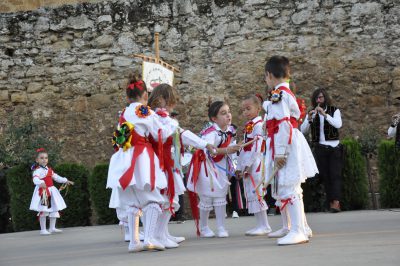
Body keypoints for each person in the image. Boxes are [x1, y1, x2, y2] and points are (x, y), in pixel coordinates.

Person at [107, 75, 177, 252]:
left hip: (123, 158)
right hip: (142, 158)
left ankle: (134, 241)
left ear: (127, 96)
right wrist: (171, 123)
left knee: (132, 201)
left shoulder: (124, 113)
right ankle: (150, 238)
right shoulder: (144, 111)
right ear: (145, 95)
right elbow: (158, 134)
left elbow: (120, 136)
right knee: (152, 198)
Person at [147, 83, 216, 248]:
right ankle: (158, 234)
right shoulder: (156, 118)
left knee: (171, 198)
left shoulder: (162, 118)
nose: (172, 106)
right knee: (165, 199)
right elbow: (177, 134)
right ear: (160, 100)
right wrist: (204, 144)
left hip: (165, 162)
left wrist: (203, 144)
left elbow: (180, 133)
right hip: (159, 164)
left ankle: (162, 233)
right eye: (171, 101)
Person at [263, 55, 318, 245]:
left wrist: (280, 152)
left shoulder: (279, 94)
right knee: (290, 185)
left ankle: (298, 230)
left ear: (269, 75)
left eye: (265, 77)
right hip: (289, 141)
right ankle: (300, 226)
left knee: (289, 185)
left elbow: (283, 124)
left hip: (285, 143)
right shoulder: (285, 93)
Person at [187, 101, 241, 238]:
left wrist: (235, 164)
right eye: (223, 113)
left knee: (220, 197)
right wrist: (227, 150)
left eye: (229, 112)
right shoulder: (211, 132)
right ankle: (204, 227)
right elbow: (210, 150)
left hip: (221, 167)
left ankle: (221, 227)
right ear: (214, 118)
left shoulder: (230, 130)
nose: (228, 115)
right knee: (206, 198)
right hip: (208, 169)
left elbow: (231, 148)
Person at [300, 88, 343, 213]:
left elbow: (338, 124)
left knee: (335, 175)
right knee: (325, 176)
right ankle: (331, 202)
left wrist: (325, 115)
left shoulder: (334, 110)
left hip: (334, 148)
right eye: (317, 98)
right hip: (320, 148)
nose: (319, 100)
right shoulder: (312, 112)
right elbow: (303, 130)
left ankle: (336, 203)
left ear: (325, 98)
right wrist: (309, 118)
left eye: (321, 97)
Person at [236, 94, 271, 236]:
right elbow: (245, 147)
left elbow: (257, 147)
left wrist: (249, 164)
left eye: (248, 108)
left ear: (258, 108)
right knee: (251, 194)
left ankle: (265, 225)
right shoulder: (249, 125)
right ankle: (260, 224)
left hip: (255, 163)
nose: (245, 112)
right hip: (248, 161)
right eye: (243, 110)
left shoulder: (258, 125)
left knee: (257, 193)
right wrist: (240, 166)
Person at [29, 148, 74, 235]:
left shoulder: (49, 170)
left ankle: (52, 228)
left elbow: (56, 177)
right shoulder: (37, 171)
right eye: (41, 158)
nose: (44, 160)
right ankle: (43, 229)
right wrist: (40, 182)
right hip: (44, 191)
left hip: (52, 191)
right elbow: (35, 179)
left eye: (46, 158)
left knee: (54, 208)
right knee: (44, 209)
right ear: (37, 160)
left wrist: (65, 180)